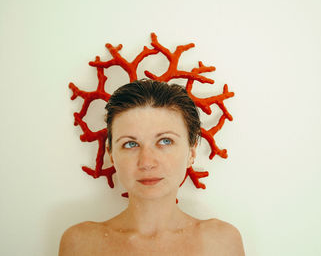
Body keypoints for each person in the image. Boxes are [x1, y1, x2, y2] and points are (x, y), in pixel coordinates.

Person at [59, 79, 245, 255]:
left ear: (192, 152)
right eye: (130, 144)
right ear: (111, 154)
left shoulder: (222, 243)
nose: (147, 162)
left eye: (165, 141)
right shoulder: (80, 244)